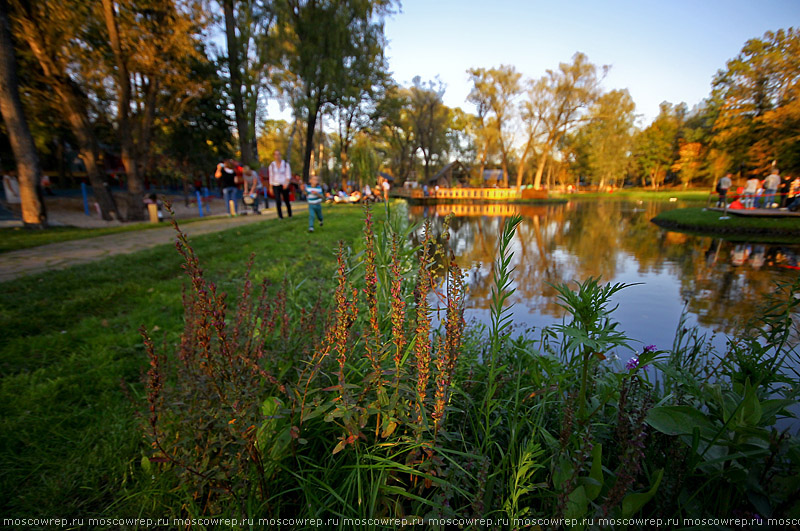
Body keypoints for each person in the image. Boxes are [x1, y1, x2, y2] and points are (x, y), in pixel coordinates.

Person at [268, 150, 292, 219]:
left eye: (278, 154)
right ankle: (280, 216)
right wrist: (270, 187)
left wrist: (286, 183)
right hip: (276, 184)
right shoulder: (272, 165)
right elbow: (271, 176)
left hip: (284, 183)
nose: (277, 156)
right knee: (278, 200)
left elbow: (288, 175)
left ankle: (290, 214)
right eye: (276, 155)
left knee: (286, 200)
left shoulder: (285, 164)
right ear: (274, 156)